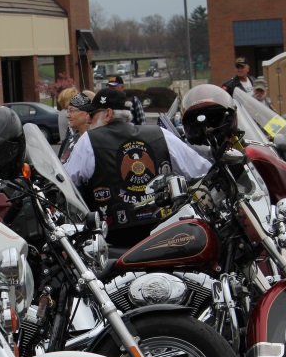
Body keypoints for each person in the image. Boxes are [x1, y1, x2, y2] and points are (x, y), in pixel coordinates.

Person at [64, 87, 211, 246]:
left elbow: (66, 182)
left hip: (114, 239)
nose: (88, 120)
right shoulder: (160, 133)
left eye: (92, 115)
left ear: (108, 114)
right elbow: (202, 169)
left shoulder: (88, 141)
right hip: (165, 233)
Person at [59, 90, 95, 163]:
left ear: (87, 113)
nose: (67, 115)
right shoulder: (68, 141)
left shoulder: (97, 142)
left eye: (71, 110)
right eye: (68, 111)